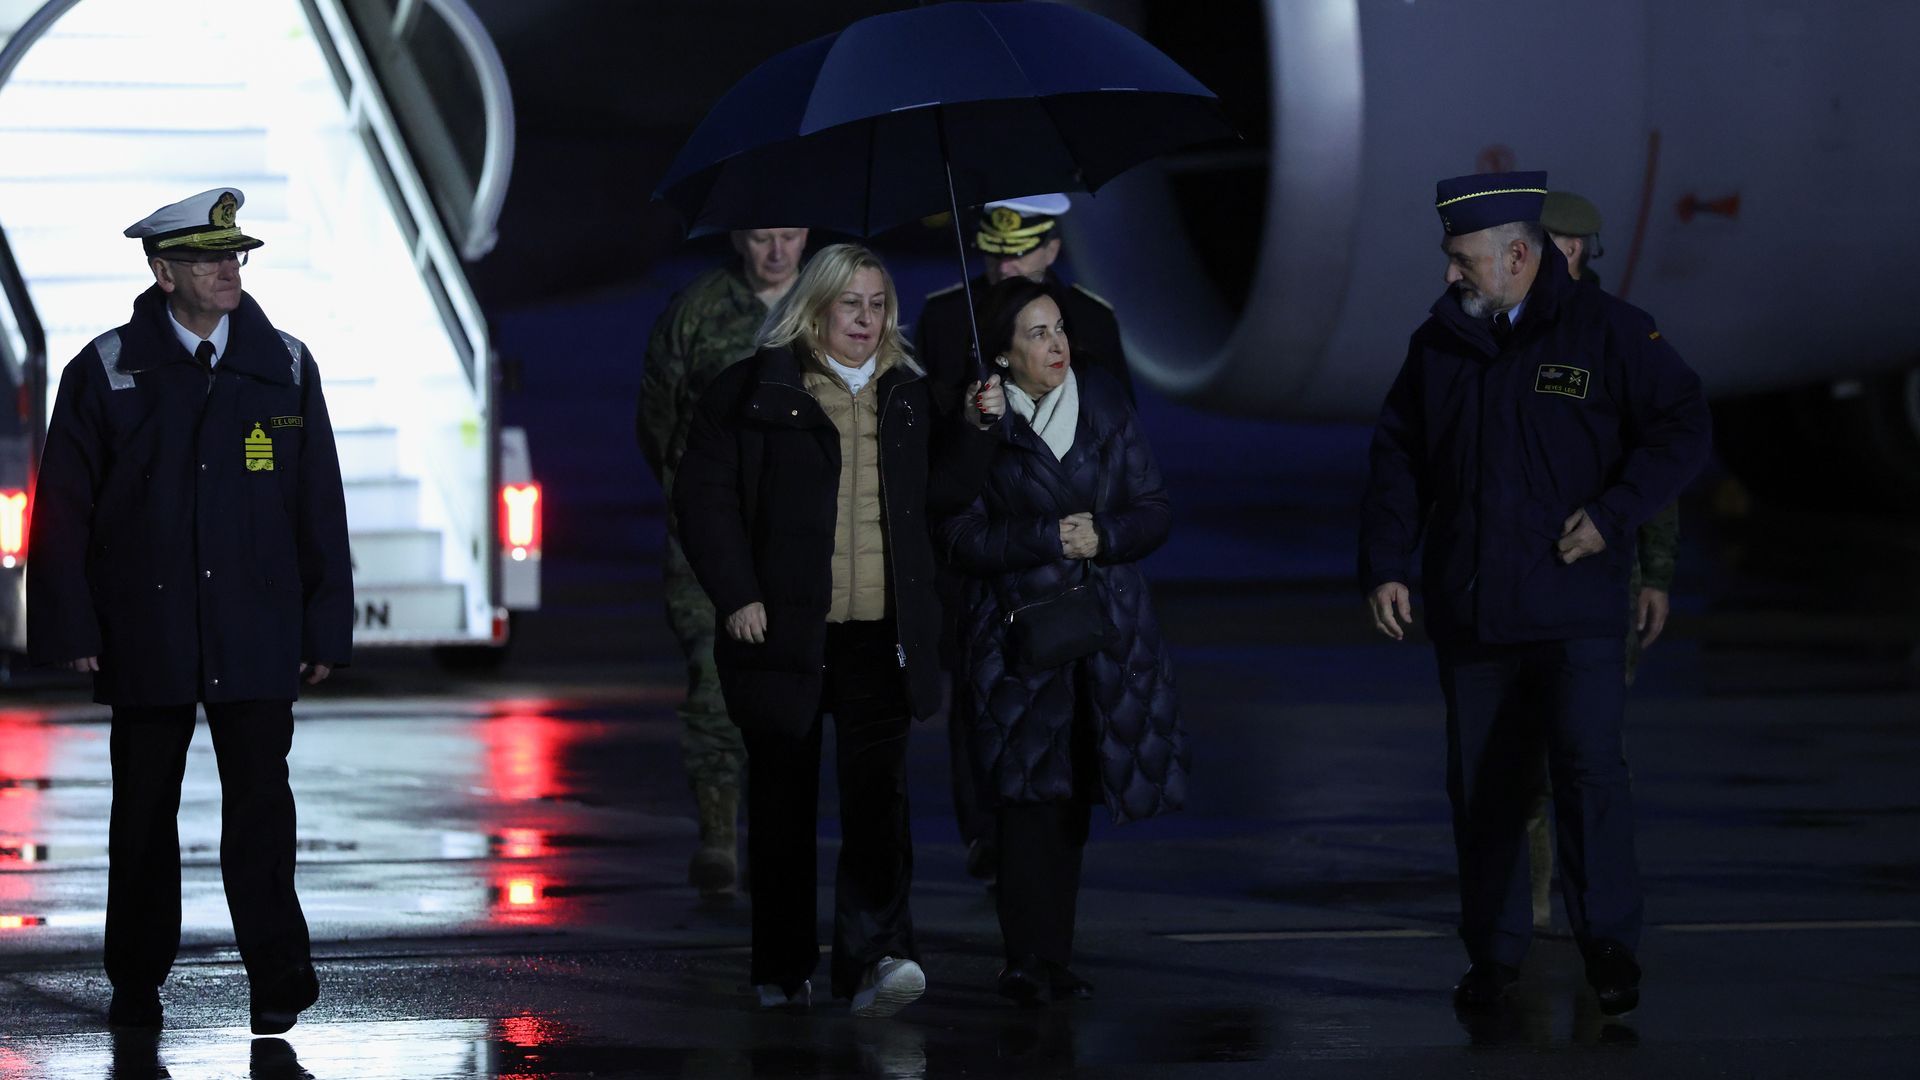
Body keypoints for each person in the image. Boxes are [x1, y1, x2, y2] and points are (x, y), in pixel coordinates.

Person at [1358, 172, 1712, 1017]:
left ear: (1517, 256)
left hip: (1574, 607)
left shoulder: (1609, 332)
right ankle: (1493, 954)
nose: (1451, 275)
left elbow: (1682, 427)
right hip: (1475, 614)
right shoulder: (1438, 344)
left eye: (1463, 260)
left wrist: (1616, 519)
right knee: (1484, 787)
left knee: (1589, 775)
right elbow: (1397, 457)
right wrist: (1385, 563)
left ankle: (1610, 949)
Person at [26, 187, 353, 1034]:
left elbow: (318, 505)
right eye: (209, 258)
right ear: (163, 270)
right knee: (141, 815)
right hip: (147, 627)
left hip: (255, 627)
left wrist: (325, 625)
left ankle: (279, 976)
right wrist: (70, 625)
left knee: (261, 809)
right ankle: (136, 977)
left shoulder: (283, 365)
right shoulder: (105, 369)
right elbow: (62, 507)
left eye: (234, 255)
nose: (227, 270)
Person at [673, 243, 1005, 1016]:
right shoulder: (753, 389)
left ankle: (877, 960)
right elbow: (704, 499)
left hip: (879, 635)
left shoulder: (910, 395)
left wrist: (980, 427)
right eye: (851, 303)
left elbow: (942, 493)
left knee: (878, 807)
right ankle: (783, 969)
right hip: (782, 635)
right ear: (817, 306)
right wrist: (737, 594)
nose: (866, 318)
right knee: (783, 809)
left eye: (879, 303)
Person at [938, 276, 1186, 1004]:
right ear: (1004, 356)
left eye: (1059, 330)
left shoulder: (1103, 399)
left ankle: (1057, 955)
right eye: (1037, 335)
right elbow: (956, 534)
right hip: (1017, 637)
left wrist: (1105, 534)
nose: (1056, 345)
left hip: (1103, 629)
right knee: (1025, 801)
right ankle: (1024, 957)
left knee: (1074, 795)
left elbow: (1154, 508)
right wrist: (1045, 535)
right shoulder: (980, 421)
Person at [917, 194, 1133, 884]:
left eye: (1022, 250)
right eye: (994, 251)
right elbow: (924, 440)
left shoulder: (1091, 319)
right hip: (981, 542)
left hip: (1060, 546)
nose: (1007, 263)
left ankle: (1060, 829)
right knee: (976, 689)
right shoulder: (948, 316)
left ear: (1051, 250)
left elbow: (1120, 439)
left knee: (1070, 688)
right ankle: (986, 829)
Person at [1523, 191, 1682, 929]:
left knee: (1586, 752)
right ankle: (1535, 898)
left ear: (1579, 250)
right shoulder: (1508, 327)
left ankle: (1590, 910)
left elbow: (1659, 462)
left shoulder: (1619, 336)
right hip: (1521, 576)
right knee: (1523, 751)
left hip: (1600, 575)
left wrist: (1655, 572)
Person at [638, 226, 808, 899]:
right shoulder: (699, 309)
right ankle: (718, 834)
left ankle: (783, 831)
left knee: (796, 686)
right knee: (712, 681)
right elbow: (657, 415)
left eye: (789, 237)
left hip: (799, 533)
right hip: (710, 532)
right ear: (740, 238)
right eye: (763, 238)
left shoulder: (830, 305)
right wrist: (696, 495)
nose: (776, 253)